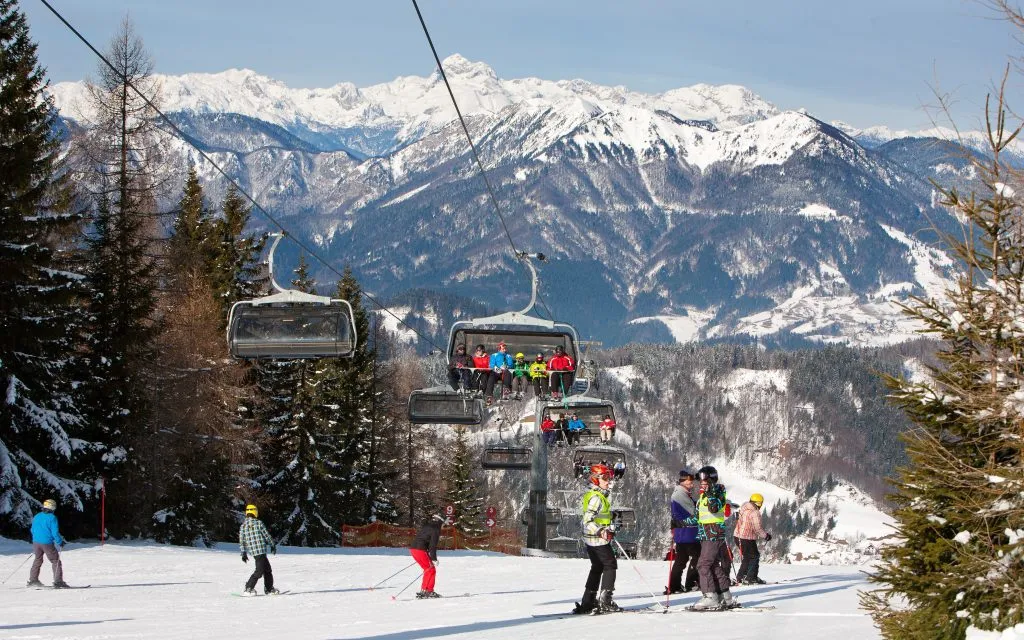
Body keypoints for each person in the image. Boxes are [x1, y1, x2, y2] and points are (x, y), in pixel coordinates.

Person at [683, 466, 739, 610]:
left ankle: (710, 596)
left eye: (704, 482)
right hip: (705, 534)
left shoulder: (718, 492)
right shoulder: (703, 496)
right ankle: (725, 595)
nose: (701, 486)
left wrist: (709, 491)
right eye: (700, 483)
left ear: (711, 481)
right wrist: (681, 523)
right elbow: (698, 516)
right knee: (712, 565)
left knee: (703, 565)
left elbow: (714, 508)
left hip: (713, 534)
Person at [572, 464, 621, 614]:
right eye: (605, 478)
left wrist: (610, 519)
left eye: (609, 478)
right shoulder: (596, 497)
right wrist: (601, 531)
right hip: (597, 539)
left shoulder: (595, 494)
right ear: (596, 479)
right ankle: (605, 600)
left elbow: (597, 516)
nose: (608, 481)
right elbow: (587, 520)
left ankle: (588, 600)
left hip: (591, 539)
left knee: (598, 567)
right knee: (610, 565)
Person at [664, 470, 700, 595]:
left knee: (681, 559)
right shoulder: (680, 495)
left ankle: (674, 586)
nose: (692, 484)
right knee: (698, 557)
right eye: (690, 482)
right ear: (683, 482)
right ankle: (691, 582)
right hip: (688, 533)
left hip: (682, 533)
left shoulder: (682, 493)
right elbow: (694, 512)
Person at [239, 503, 280, 596]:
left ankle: (269, 589)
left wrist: (243, 553)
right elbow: (266, 535)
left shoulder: (243, 526)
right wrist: (272, 545)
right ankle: (249, 588)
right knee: (259, 571)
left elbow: (242, 541)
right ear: (255, 512)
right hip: (261, 551)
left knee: (267, 570)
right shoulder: (258, 523)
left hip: (254, 552)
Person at [27, 499, 68, 588]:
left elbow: (32, 529)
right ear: (52, 507)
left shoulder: (37, 516)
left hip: (36, 542)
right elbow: (55, 532)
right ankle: (58, 582)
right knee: (55, 561)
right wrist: (60, 542)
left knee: (38, 560)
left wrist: (36, 538)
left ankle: (33, 580)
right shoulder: (52, 518)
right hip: (47, 543)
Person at [733, 493, 771, 585]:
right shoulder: (755, 512)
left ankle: (741, 577)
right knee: (754, 556)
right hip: (747, 538)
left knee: (747, 557)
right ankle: (751, 578)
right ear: (758, 503)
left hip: (737, 536)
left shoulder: (744, 508)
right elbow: (757, 528)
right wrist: (766, 536)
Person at [410, 514, 450, 598]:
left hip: (414, 549)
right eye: (443, 524)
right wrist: (434, 558)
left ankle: (426, 590)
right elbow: (432, 545)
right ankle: (427, 591)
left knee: (428, 569)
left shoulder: (427, 526)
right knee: (431, 570)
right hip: (420, 550)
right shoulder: (436, 529)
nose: (443, 526)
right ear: (440, 522)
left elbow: (424, 539)